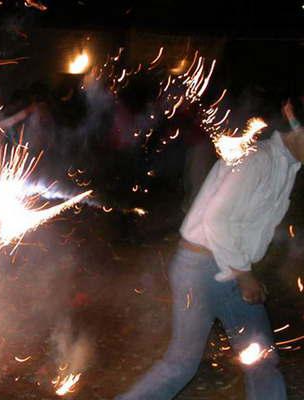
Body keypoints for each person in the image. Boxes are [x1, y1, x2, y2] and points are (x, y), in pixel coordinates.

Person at [115, 100, 304, 400]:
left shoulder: (285, 166)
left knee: (243, 363)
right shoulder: (258, 159)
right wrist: (243, 275)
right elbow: (217, 219)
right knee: (196, 364)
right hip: (208, 268)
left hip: (214, 265)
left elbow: (250, 222)